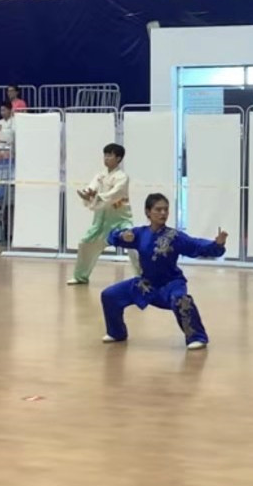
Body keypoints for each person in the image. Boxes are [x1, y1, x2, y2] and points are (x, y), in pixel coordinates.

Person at [99, 193, 227, 349]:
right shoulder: (140, 233)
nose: (163, 213)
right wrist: (122, 235)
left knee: (181, 300)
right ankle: (116, 332)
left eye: (166, 210)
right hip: (146, 284)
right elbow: (113, 237)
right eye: (158, 209)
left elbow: (196, 245)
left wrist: (217, 245)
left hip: (171, 284)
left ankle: (197, 337)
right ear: (148, 212)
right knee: (110, 295)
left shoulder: (174, 236)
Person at [69, 143, 141, 285]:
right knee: (85, 244)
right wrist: (88, 193)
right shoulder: (100, 176)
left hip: (121, 220)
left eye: (110, 155)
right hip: (101, 222)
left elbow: (115, 194)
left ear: (118, 158)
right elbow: (92, 187)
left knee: (134, 245)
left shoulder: (122, 177)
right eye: (105, 155)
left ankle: (143, 277)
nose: (106, 158)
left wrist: (97, 197)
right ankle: (80, 276)